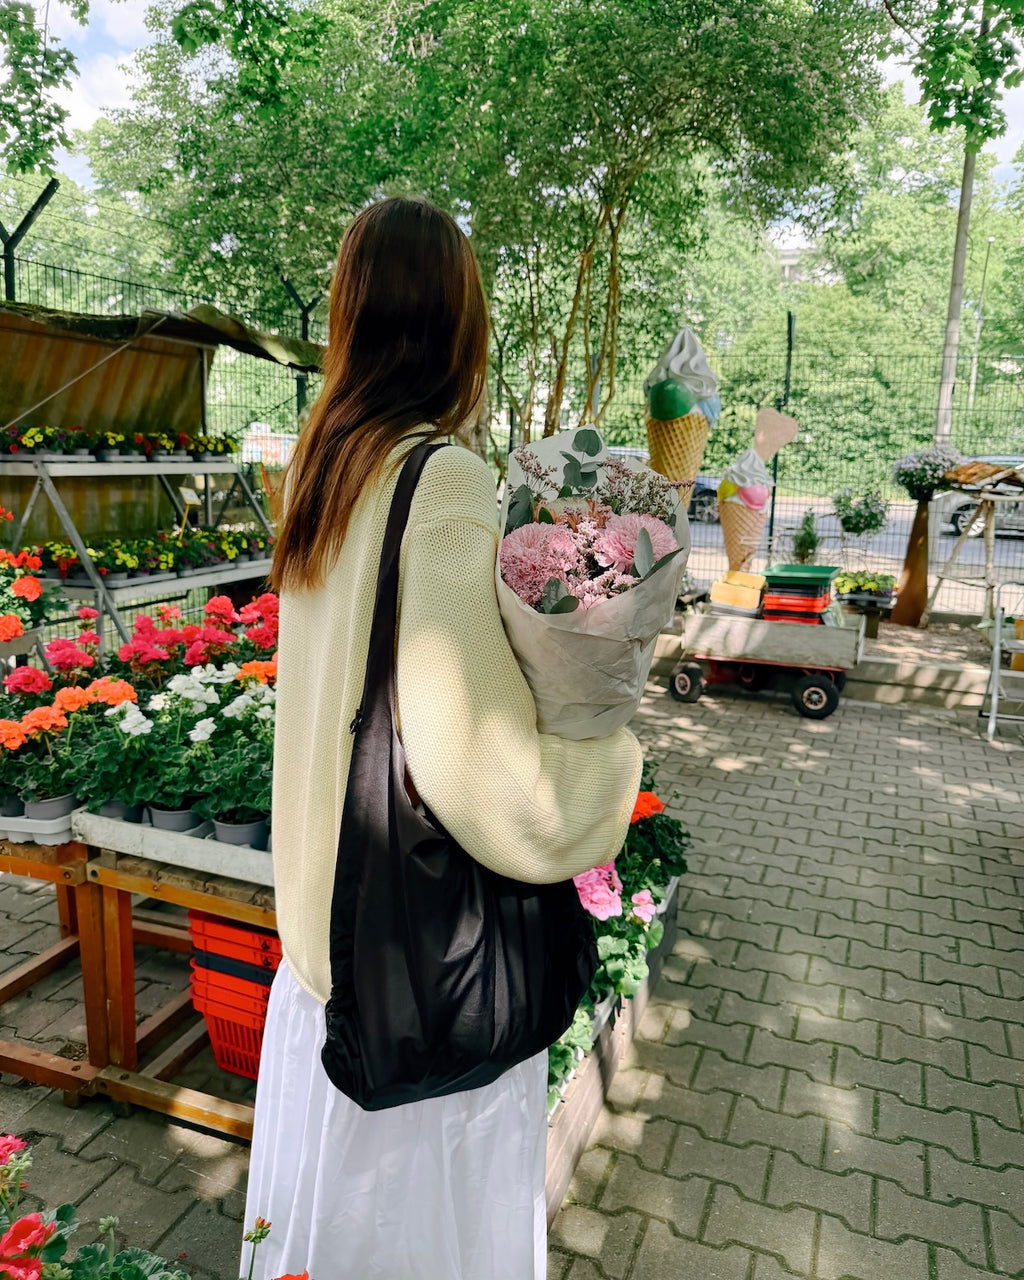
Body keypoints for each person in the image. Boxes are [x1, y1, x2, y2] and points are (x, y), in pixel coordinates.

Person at [243, 196, 643, 1279]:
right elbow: (479, 772)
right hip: (421, 976)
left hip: (329, 942)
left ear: (352, 316)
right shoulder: (444, 477)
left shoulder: (324, 466)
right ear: (459, 324)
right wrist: (607, 752)